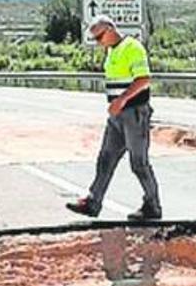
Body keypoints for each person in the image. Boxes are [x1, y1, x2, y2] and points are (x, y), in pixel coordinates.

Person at [66, 14, 162, 221]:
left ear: (110, 29)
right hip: (118, 116)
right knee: (106, 158)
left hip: (134, 112)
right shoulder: (112, 51)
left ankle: (152, 206)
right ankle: (93, 202)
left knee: (138, 162)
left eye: (99, 37)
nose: (98, 43)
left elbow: (144, 79)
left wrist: (122, 100)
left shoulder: (132, 47)